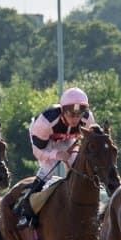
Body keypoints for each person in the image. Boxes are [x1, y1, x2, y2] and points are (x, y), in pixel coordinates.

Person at [15, 87, 97, 229]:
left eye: (79, 114)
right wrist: (56, 155)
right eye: (71, 114)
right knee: (47, 169)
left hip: (68, 139)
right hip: (45, 141)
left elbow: (92, 141)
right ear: (63, 111)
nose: (75, 119)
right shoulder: (45, 122)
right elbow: (38, 152)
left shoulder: (87, 118)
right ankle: (25, 211)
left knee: (76, 167)